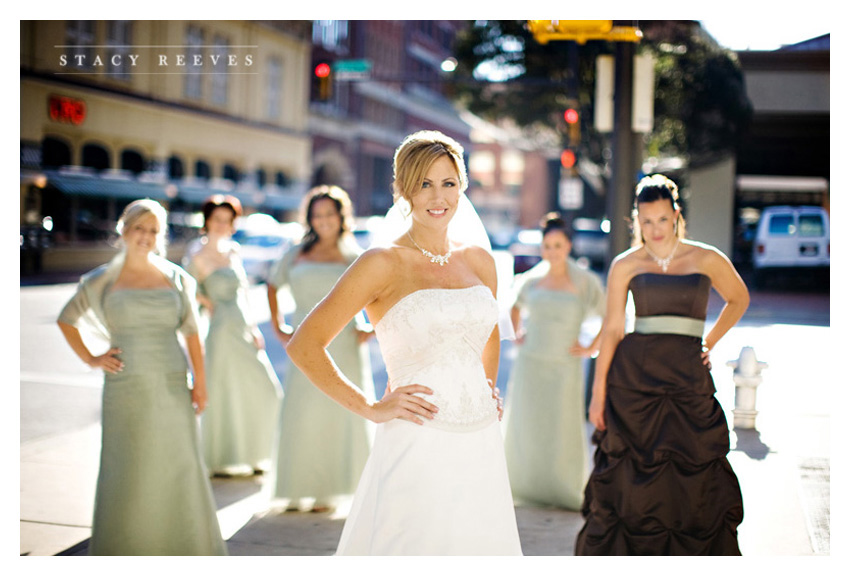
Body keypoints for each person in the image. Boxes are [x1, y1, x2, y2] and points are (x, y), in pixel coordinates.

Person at [285, 130, 522, 555]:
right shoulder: (381, 262)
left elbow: (488, 335)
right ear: (402, 189)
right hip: (417, 435)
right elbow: (304, 345)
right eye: (424, 183)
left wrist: (486, 389)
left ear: (462, 186)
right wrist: (371, 409)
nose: (438, 196)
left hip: (481, 437)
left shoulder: (480, 261)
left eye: (449, 183)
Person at [576, 174, 749, 555]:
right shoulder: (626, 264)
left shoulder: (705, 258)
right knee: (632, 478)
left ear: (676, 215)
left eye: (661, 219)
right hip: (634, 381)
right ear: (637, 220)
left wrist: (711, 340)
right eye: (645, 220)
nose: (654, 229)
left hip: (687, 377)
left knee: (694, 472)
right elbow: (613, 331)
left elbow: (738, 298)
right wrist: (598, 394)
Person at [56, 199, 227, 555]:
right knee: (127, 463)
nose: (146, 237)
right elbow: (66, 319)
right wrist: (92, 358)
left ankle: (182, 540)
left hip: (171, 381)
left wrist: (202, 386)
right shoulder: (102, 278)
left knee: (177, 460)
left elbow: (193, 335)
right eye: (139, 228)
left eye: (153, 230)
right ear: (124, 229)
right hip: (125, 386)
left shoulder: (176, 277)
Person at [266, 185, 375, 513]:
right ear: (309, 219)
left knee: (338, 413)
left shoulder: (354, 255)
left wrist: (370, 327)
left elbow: (377, 294)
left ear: (342, 217)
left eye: (329, 213)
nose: (323, 220)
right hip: (305, 345)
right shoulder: (295, 252)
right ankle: (298, 488)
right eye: (317, 214)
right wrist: (278, 325)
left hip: (343, 345)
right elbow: (272, 285)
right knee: (302, 415)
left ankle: (333, 491)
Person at [503, 212, 606, 510]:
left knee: (561, 428)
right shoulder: (531, 279)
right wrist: (518, 333)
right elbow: (513, 308)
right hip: (530, 363)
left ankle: (564, 490)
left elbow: (609, 316)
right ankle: (524, 487)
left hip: (565, 366)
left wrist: (590, 347)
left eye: (558, 245)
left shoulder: (585, 280)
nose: (552, 252)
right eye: (547, 246)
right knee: (528, 425)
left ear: (569, 246)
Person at [184, 195, 283, 476]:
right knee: (223, 392)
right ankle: (219, 460)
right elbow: (187, 292)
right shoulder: (197, 255)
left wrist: (253, 328)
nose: (222, 225)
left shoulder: (234, 251)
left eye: (227, 221)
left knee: (265, 389)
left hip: (242, 328)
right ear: (207, 221)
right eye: (217, 219)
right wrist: (207, 303)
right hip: (219, 331)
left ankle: (255, 455)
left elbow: (244, 293)